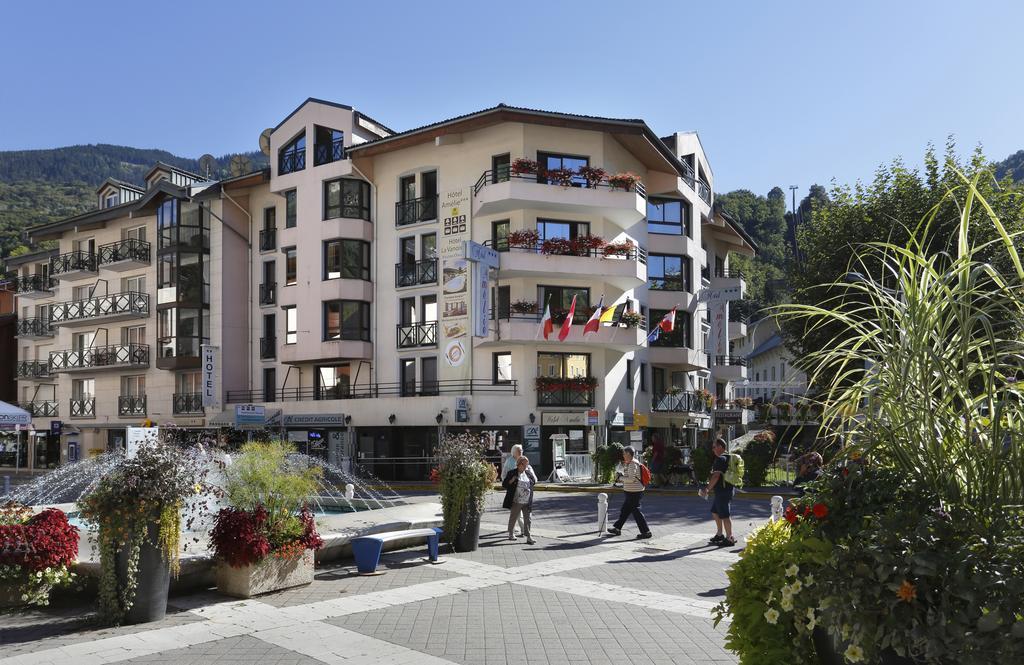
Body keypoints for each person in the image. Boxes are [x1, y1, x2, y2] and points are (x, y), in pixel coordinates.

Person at [606, 446, 652, 539]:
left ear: (628, 454)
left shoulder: (632, 464)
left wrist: (620, 478)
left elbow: (631, 479)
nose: (623, 455)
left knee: (636, 512)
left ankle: (646, 532)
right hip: (632, 491)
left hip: (634, 491)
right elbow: (631, 476)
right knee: (625, 510)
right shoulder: (630, 463)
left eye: (624, 453)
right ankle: (617, 528)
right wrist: (622, 476)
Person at [700, 438, 736, 546]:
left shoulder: (720, 459)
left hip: (723, 491)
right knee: (715, 511)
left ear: (721, 447)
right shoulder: (728, 458)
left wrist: (707, 489)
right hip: (726, 490)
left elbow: (716, 476)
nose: (713, 449)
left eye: (714, 447)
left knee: (725, 515)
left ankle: (730, 538)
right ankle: (720, 534)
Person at [502, 456, 537, 545]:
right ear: (519, 464)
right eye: (524, 464)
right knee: (513, 517)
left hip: (527, 501)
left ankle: (528, 537)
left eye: (527, 464)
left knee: (528, 518)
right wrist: (512, 480)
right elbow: (504, 484)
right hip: (516, 500)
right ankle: (511, 533)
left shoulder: (528, 473)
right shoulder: (512, 473)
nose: (526, 466)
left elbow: (533, 481)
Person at [502, 444, 526, 536]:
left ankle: (513, 529)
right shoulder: (510, 461)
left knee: (517, 512)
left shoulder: (523, 459)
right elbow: (505, 475)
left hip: (523, 490)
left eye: (521, 450)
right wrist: (509, 483)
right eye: (519, 450)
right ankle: (524, 531)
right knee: (518, 512)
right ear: (514, 452)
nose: (521, 451)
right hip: (514, 490)